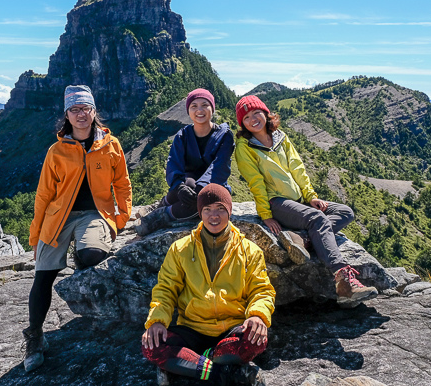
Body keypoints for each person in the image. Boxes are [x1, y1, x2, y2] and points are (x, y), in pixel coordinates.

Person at [23, 85, 132, 372]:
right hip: (58, 216)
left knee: (94, 256)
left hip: (95, 214)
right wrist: (36, 236)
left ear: (94, 111)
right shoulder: (56, 150)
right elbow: (43, 195)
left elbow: (122, 184)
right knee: (43, 275)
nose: (81, 114)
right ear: (67, 115)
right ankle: (34, 336)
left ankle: (81, 252)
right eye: (74, 110)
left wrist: (120, 220)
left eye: (85, 109)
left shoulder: (111, 145)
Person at [233, 95, 377, 304]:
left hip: (299, 200)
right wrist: (265, 215)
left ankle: (305, 240)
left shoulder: (281, 138)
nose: (253, 119)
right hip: (277, 202)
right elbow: (256, 183)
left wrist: (311, 197)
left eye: (256, 113)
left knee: (345, 212)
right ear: (242, 124)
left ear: (265, 113)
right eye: (246, 117)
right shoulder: (245, 147)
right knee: (317, 220)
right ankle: (343, 280)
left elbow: (298, 168)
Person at [142, 184, 274, 386]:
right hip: (192, 328)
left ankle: (192, 362)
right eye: (207, 210)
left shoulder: (250, 251)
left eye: (220, 208)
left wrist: (257, 315)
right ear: (200, 213)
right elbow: (165, 290)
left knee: (257, 340)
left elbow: (261, 290)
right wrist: (157, 321)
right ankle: (219, 370)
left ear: (229, 211)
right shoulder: (180, 249)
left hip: (231, 327)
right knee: (152, 346)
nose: (214, 216)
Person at [136, 88, 235, 236]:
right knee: (187, 184)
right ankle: (163, 203)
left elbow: (219, 167)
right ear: (188, 110)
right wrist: (179, 185)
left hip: (215, 184)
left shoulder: (225, 136)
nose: (199, 110)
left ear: (212, 109)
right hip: (188, 184)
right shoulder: (183, 135)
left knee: (206, 200)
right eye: (194, 106)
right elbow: (173, 164)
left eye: (204, 105)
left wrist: (200, 189)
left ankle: (163, 215)